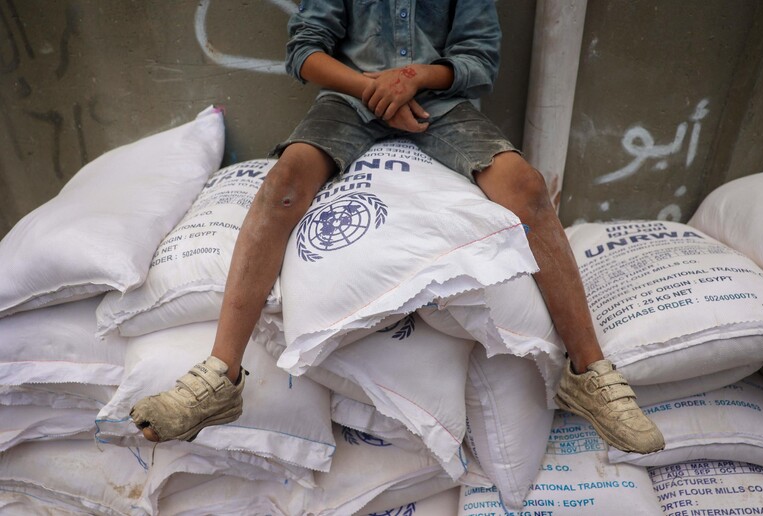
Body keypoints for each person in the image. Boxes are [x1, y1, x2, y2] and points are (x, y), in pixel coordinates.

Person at [130, 0, 664, 454]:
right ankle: (221, 376)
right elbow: (304, 51)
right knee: (283, 184)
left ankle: (589, 374)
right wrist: (371, 88)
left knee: (525, 187)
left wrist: (413, 79)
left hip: (442, 108)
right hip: (347, 103)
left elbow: (479, 59)